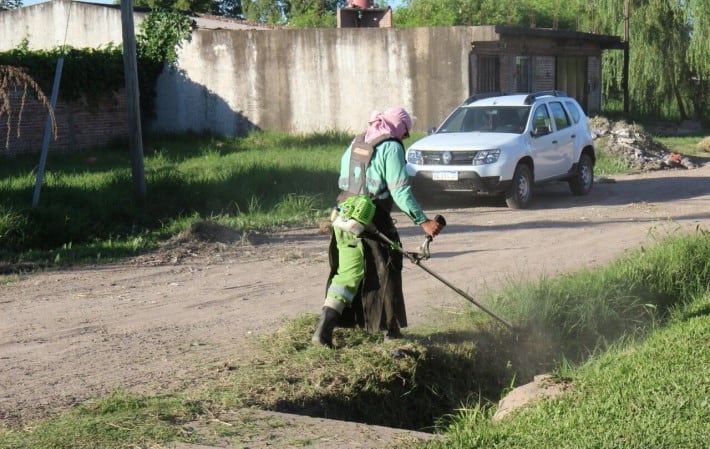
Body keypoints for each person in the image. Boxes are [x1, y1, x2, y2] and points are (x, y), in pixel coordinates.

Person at [312, 106, 443, 347]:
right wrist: (423, 221)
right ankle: (390, 333)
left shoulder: (357, 142)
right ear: (399, 128)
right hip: (371, 220)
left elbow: (345, 180)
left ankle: (323, 331)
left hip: (343, 217)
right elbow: (400, 190)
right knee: (388, 270)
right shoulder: (391, 147)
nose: (403, 138)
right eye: (404, 132)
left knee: (347, 275)